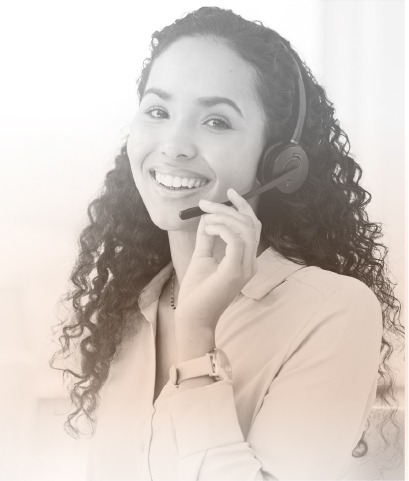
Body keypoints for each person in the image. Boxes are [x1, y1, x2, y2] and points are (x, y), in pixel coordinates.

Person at [52, 7, 403, 480]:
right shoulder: (132, 307)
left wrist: (197, 338)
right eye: (158, 111)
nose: (174, 144)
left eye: (216, 121)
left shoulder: (334, 310)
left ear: (279, 161)